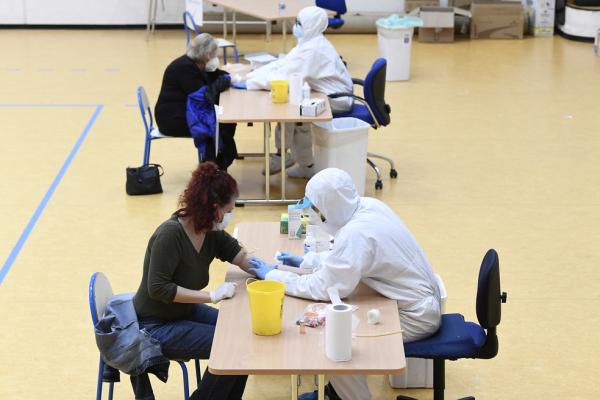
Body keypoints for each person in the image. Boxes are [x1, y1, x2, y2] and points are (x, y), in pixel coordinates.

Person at [248, 168, 442, 400]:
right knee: (337, 326)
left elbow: (322, 288)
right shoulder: (368, 206)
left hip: (414, 317)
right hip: (412, 301)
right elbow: (346, 260)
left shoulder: (356, 234)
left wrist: (274, 276)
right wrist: (308, 262)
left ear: (330, 207)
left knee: (335, 338)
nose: (316, 214)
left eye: (318, 209)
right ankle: (336, 391)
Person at [132, 162, 254, 400]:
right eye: (228, 210)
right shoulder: (170, 235)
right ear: (213, 208)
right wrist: (211, 296)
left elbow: (239, 256)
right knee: (230, 346)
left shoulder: (210, 230)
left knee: (242, 338)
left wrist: (277, 273)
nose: (231, 215)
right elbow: (158, 288)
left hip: (182, 312)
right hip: (154, 325)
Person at [245, 6, 353, 179]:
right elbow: (285, 64)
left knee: (290, 105)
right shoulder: (310, 42)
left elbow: (284, 77)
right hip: (324, 93)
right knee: (293, 104)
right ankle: (304, 163)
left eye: (299, 23)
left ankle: (284, 155)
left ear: (310, 25)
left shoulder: (313, 49)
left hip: (336, 99)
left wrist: (249, 82)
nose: (296, 26)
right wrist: (251, 74)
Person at [155, 33, 237, 170]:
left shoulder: (197, 64)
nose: (214, 57)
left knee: (226, 122)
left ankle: (218, 164)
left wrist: (228, 76)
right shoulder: (184, 68)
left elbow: (214, 75)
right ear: (205, 54)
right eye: (213, 54)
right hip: (171, 119)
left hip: (187, 112)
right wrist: (224, 81)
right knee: (217, 126)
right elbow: (206, 96)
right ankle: (211, 169)